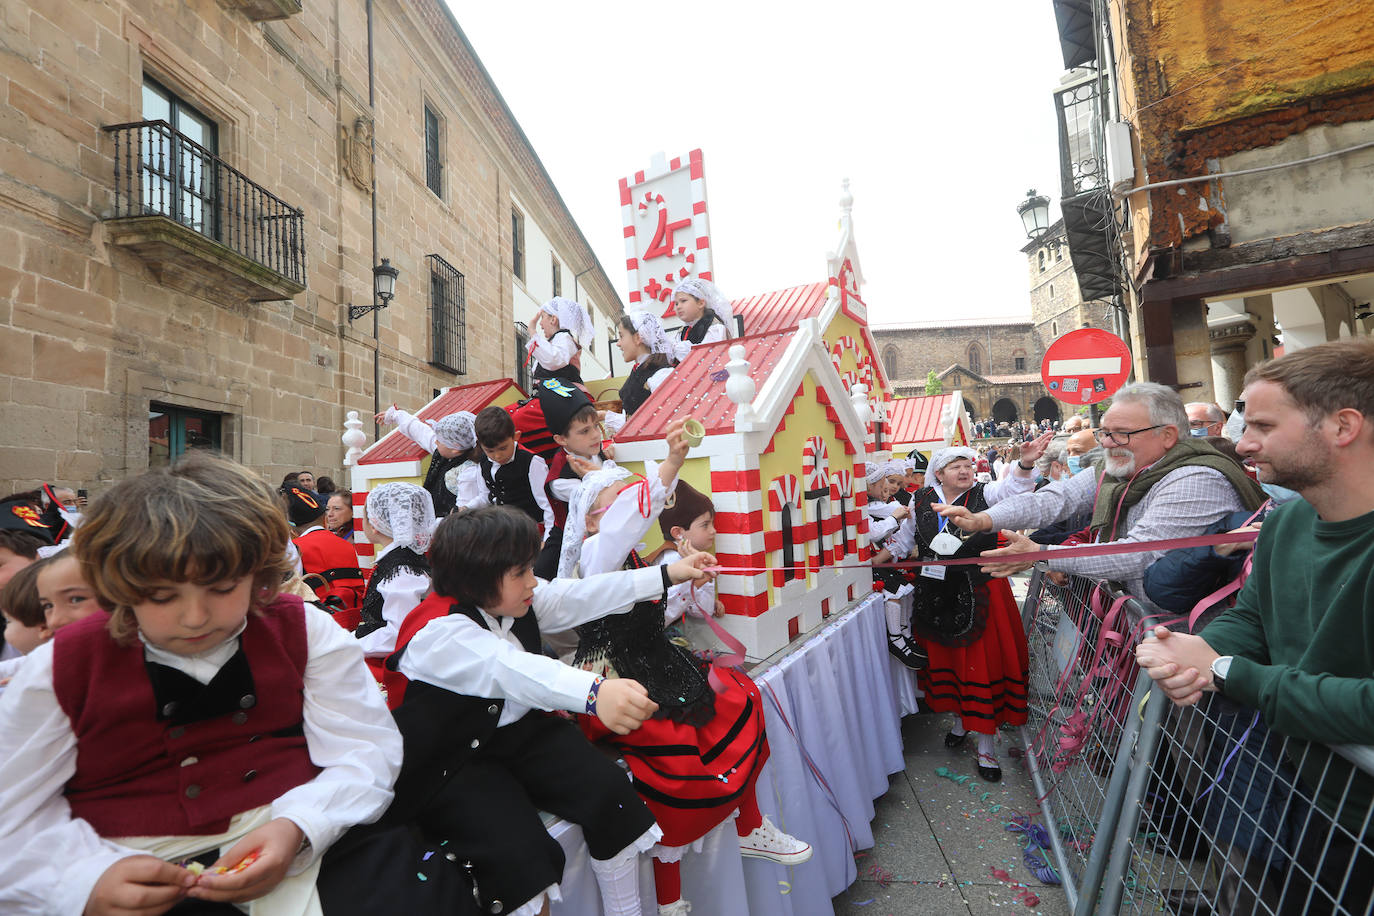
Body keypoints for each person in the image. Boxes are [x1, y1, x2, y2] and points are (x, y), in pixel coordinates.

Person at [0, 453, 474, 915]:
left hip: (304, 835)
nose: (194, 616)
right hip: (123, 860)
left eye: (223, 589)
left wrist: (301, 826)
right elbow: (12, 812)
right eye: (162, 596)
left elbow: (364, 747)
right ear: (119, 587)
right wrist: (83, 882)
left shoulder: (303, 631)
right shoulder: (65, 665)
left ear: (258, 576)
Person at [384, 506, 720, 916]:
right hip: (452, 758)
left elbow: (577, 595)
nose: (532, 582)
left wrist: (667, 575)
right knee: (519, 857)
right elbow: (512, 669)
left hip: (517, 734)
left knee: (610, 795)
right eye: (521, 572)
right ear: (478, 578)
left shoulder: (510, 598)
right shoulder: (439, 633)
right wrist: (596, 693)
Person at [1135, 339, 1374, 915]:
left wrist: (1227, 672)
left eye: (1263, 424)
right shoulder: (1287, 521)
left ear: (1342, 426)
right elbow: (1254, 619)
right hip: (1314, 797)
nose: (1242, 442)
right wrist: (1193, 652)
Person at [558, 420, 811, 916]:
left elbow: (651, 600)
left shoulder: (626, 553)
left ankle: (748, 824)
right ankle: (672, 898)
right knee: (674, 760)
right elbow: (630, 520)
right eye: (620, 499)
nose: (634, 507)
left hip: (652, 660)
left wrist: (687, 580)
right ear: (590, 521)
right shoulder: (596, 550)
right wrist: (671, 463)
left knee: (741, 696)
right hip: (617, 678)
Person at [940, 383, 1265, 601]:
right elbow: (1057, 499)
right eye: (1105, 432)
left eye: (1121, 434)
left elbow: (1136, 555)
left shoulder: (1195, 479)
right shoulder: (1122, 470)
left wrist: (1043, 552)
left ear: (1167, 435)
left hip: (1191, 643)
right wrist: (983, 519)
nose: (1107, 443)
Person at [875, 433, 1050, 780]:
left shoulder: (986, 493)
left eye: (968, 465)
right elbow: (907, 541)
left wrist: (1026, 464)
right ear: (939, 473)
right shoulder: (920, 500)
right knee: (951, 663)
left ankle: (986, 748)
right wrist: (873, 562)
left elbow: (1015, 492)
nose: (965, 470)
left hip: (980, 589)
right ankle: (959, 722)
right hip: (936, 591)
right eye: (956, 466)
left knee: (980, 666)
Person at [355, 483, 434, 660]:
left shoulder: (401, 570)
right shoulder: (405, 558)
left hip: (392, 659)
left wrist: (351, 646)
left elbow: (398, 633)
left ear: (374, 523)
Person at [460, 406, 556, 543]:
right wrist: (467, 508)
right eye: (490, 451)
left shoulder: (532, 463)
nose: (498, 456)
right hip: (503, 530)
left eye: (503, 448)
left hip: (531, 532)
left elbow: (548, 506)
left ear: (516, 437)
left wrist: (547, 541)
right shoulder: (483, 462)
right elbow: (486, 496)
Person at [374, 405, 481, 518]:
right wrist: (395, 415)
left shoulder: (469, 471)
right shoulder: (444, 451)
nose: (435, 442)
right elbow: (420, 432)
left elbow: (464, 513)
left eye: (439, 440)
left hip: (449, 529)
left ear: (455, 447)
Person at [285, 486, 366, 630]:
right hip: (352, 619)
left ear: (292, 526)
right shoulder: (347, 545)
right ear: (323, 517)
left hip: (318, 624)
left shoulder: (295, 548)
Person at [653, 479, 723, 645]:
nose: (714, 530)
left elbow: (702, 608)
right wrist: (703, 583)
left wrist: (707, 596)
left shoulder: (681, 557)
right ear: (678, 533)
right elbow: (701, 611)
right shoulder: (671, 561)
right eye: (705, 525)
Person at [603, 312, 674, 437]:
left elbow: (655, 423)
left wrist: (607, 417)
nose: (618, 343)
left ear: (637, 338)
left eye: (621, 336)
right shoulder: (640, 369)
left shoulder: (661, 374)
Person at [528, 296, 594, 385]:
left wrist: (533, 332)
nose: (540, 323)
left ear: (553, 319)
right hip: (552, 394)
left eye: (542, 317)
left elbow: (554, 360)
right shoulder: (555, 341)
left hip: (565, 394)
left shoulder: (565, 338)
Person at [669, 278, 732, 362]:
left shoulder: (715, 329)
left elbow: (707, 357)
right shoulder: (681, 333)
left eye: (683, 301)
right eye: (676, 303)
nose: (678, 306)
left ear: (701, 303)